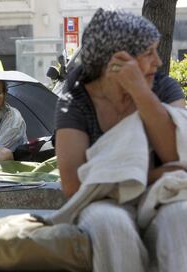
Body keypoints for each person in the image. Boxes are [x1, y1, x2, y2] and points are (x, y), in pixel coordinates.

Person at [55, 8, 187, 272]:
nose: (158, 62)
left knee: (181, 215)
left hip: (163, 197)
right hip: (101, 202)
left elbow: (177, 155)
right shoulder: (75, 101)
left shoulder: (163, 87)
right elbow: (73, 185)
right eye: (148, 53)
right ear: (116, 59)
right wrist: (152, 174)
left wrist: (139, 92)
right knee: (108, 222)